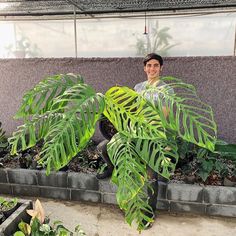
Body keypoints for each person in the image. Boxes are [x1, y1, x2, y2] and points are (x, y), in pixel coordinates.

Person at [96, 53, 173, 229]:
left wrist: (145, 119)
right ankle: (111, 168)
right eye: (149, 65)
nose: (152, 69)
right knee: (103, 148)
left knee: (150, 176)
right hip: (133, 134)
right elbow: (129, 110)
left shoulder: (166, 89)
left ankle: (148, 213)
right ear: (144, 68)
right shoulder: (138, 87)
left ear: (161, 68)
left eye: (155, 65)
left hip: (152, 138)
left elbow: (164, 115)